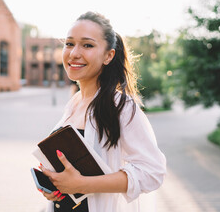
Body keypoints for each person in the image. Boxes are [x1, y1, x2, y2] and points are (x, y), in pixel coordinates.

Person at [37, 11, 166, 212]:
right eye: (69, 43)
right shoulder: (75, 102)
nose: (74, 53)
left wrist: (81, 185)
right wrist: (55, 185)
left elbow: (152, 171)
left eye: (87, 45)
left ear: (108, 55)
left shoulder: (120, 106)